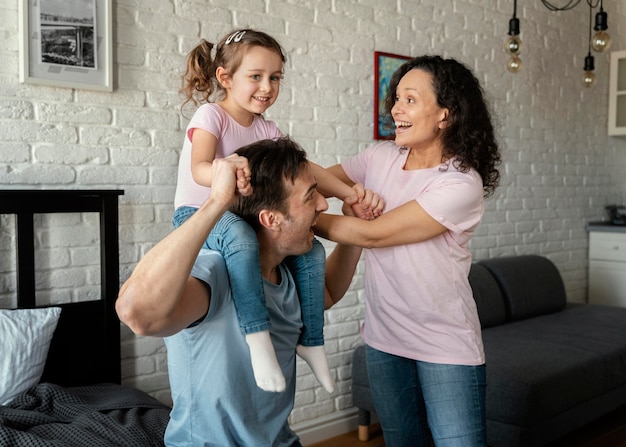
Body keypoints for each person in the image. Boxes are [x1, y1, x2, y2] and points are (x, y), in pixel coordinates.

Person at [117, 137, 374, 446]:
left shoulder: (288, 271)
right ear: (271, 219)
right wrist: (216, 202)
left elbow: (327, 294)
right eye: (310, 197)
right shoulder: (215, 273)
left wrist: (355, 228)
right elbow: (136, 313)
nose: (323, 203)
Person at [172, 29, 378, 393]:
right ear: (225, 77)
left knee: (313, 250)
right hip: (198, 212)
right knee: (239, 237)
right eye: (256, 76)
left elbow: (307, 169)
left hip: (241, 215)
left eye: (275, 77)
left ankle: (311, 340)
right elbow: (199, 168)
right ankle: (257, 337)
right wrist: (226, 169)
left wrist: (352, 192)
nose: (267, 87)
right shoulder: (211, 116)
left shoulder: (267, 128)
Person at [314, 55, 502, 447]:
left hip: (444, 342)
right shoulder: (379, 157)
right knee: (402, 442)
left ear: (445, 115)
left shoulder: (460, 183)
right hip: (384, 338)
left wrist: (298, 221)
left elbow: (375, 235)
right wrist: (349, 196)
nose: (396, 109)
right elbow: (312, 184)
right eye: (396, 98)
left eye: (410, 100)